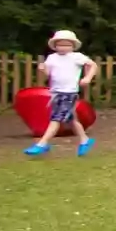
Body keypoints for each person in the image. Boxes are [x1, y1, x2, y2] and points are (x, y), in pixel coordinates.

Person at [26, 29, 98, 157]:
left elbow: (93, 65)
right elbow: (49, 74)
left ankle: (42, 144)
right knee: (71, 119)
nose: (63, 47)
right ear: (55, 45)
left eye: (67, 45)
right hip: (56, 93)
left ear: (73, 46)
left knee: (56, 119)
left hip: (69, 93)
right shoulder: (52, 58)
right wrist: (43, 69)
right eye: (60, 44)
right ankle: (85, 141)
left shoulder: (77, 57)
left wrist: (87, 78)